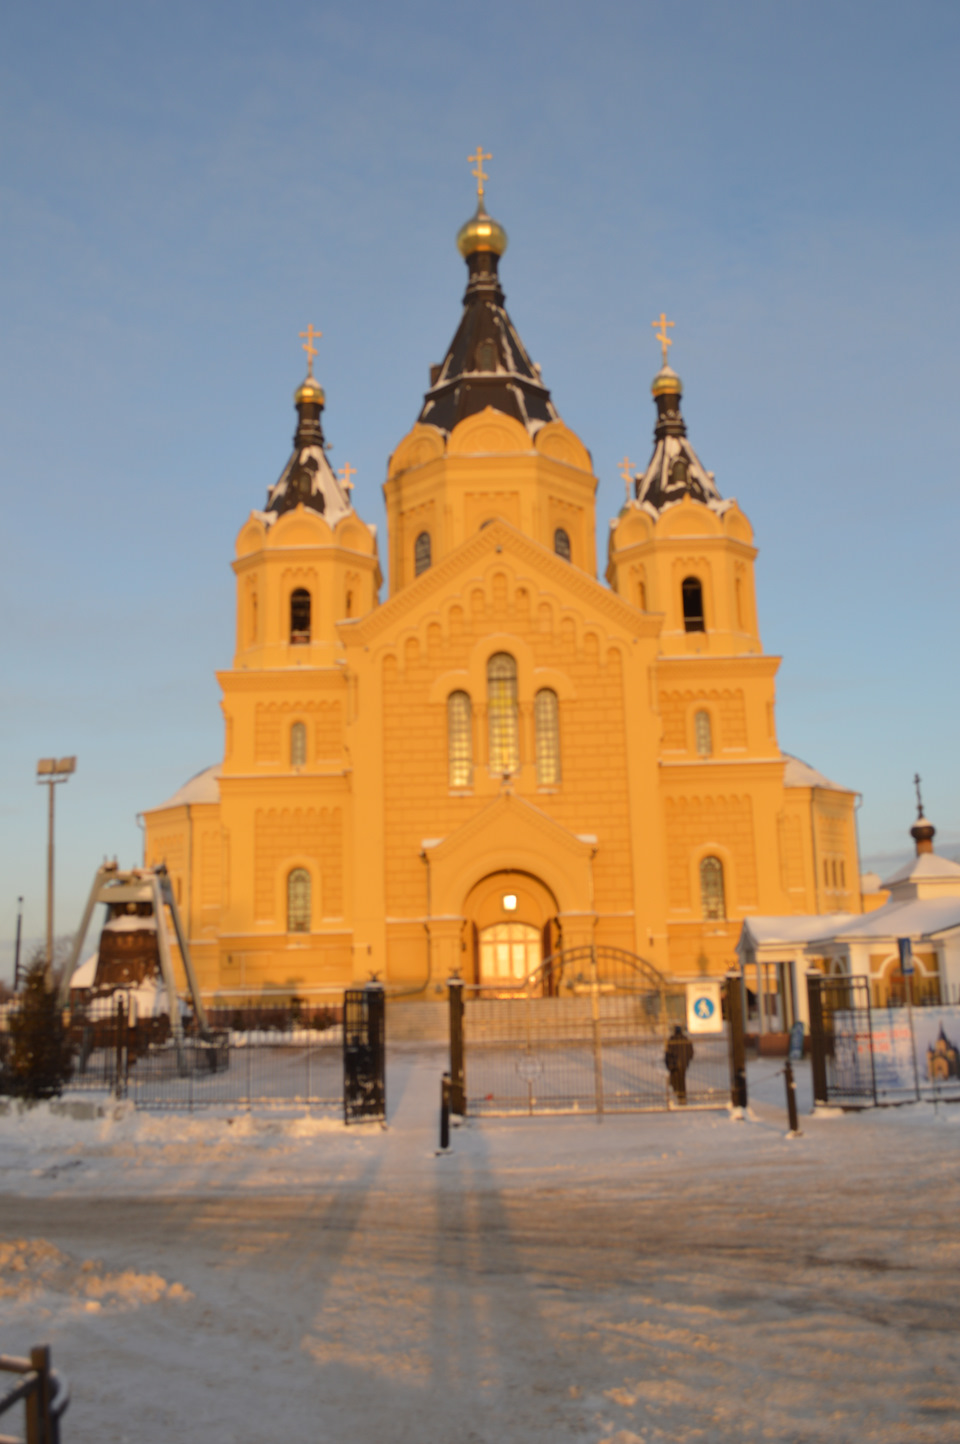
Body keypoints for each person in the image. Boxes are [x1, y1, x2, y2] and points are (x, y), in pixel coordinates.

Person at [665, 1024, 694, 1104]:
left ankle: (678, 1094)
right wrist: (687, 1059)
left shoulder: (671, 1039)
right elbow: (691, 1052)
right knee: (682, 1080)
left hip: (674, 1064)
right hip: (683, 1064)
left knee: (675, 1080)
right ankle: (682, 1097)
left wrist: (667, 1063)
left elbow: (668, 1053)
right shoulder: (686, 1039)